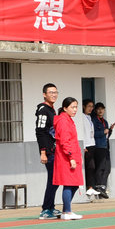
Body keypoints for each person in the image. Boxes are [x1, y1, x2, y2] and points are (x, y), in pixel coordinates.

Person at [53, 97, 85, 220]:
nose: (75, 109)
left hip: (72, 155)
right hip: (66, 157)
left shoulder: (68, 120)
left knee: (75, 183)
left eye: (76, 107)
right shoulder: (63, 121)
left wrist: (78, 155)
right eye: (72, 107)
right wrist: (71, 156)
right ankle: (67, 211)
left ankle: (66, 210)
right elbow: (64, 141)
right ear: (65, 108)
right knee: (69, 183)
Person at [35, 82, 60, 220]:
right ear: (44, 94)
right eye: (51, 92)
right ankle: (45, 209)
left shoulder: (52, 110)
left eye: (55, 92)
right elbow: (40, 132)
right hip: (48, 151)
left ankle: (50, 207)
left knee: (55, 180)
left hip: (54, 149)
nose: (53, 95)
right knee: (53, 179)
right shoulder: (43, 110)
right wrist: (43, 152)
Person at [89, 102, 115, 197]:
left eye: (102, 109)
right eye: (98, 109)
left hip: (105, 146)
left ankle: (102, 187)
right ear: (96, 110)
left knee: (107, 168)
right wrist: (103, 132)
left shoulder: (105, 121)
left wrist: (110, 130)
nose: (100, 111)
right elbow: (93, 134)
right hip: (98, 146)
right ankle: (99, 187)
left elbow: (107, 136)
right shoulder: (94, 121)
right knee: (100, 167)